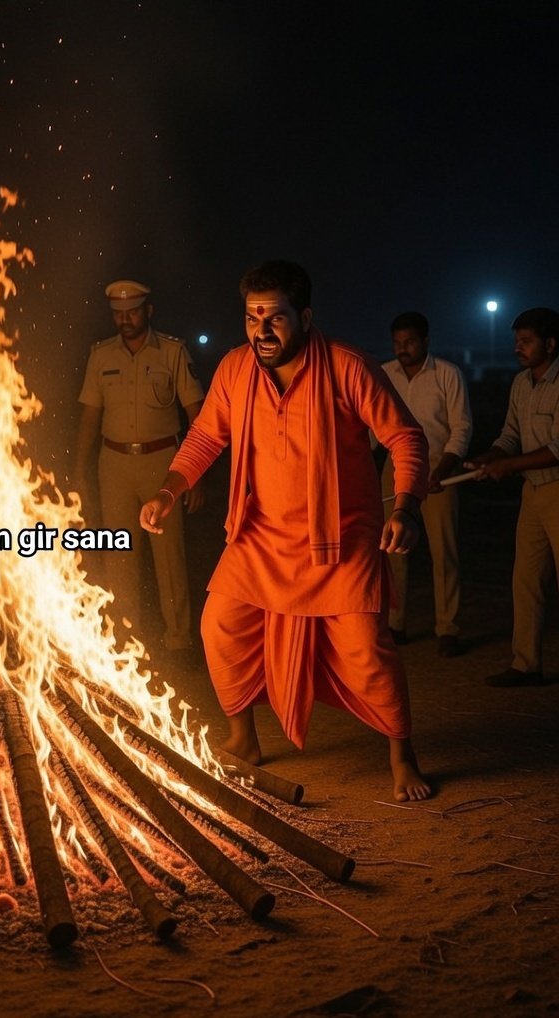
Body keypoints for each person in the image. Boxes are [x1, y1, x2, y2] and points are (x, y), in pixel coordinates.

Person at [141, 260, 432, 801]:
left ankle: (402, 755)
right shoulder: (235, 369)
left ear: (305, 317)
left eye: (275, 318)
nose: (262, 331)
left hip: (340, 539)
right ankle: (244, 738)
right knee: (219, 627)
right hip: (261, 535)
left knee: (368, 651)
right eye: (252, 318)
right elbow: (206, 436)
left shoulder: (348, 367)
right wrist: (169, 490)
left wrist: (407, 507)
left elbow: (406, 438)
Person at [73, 280, 204, 656]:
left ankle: (178, 640)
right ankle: (127, 639)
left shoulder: (173, 352)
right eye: (118, 314)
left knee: (169, 555)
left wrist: (195, 475)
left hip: (163, 462)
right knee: (119, 553)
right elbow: (90, 417)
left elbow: (197, 415)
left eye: (132, 312)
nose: (125, 319)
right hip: (113, 464)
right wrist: (80, 470)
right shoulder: (101, 356)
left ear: (148, 311)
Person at [465, 307, 559, 687]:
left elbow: (558, 448)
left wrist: (509, 465)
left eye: (526, 341)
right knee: (526, 579)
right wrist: (490, 457)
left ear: (550, 344)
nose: (518, 348)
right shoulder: (521, 383)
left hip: (556, 488)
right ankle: (526, 665)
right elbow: (510, 435)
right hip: (533, 491)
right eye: (517, 341)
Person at [380, 312, 473, 656]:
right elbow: (372, 430)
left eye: (409, 342)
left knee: (443, 550)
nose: (402, 349)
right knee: (392, 549)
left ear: (425, 341)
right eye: (397, 343)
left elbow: (461, 427)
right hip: (394, 467)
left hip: (438, 466)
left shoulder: (447, 374)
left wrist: (443, 469)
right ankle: (395, 623)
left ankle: (447, 628)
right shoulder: (384, 374)